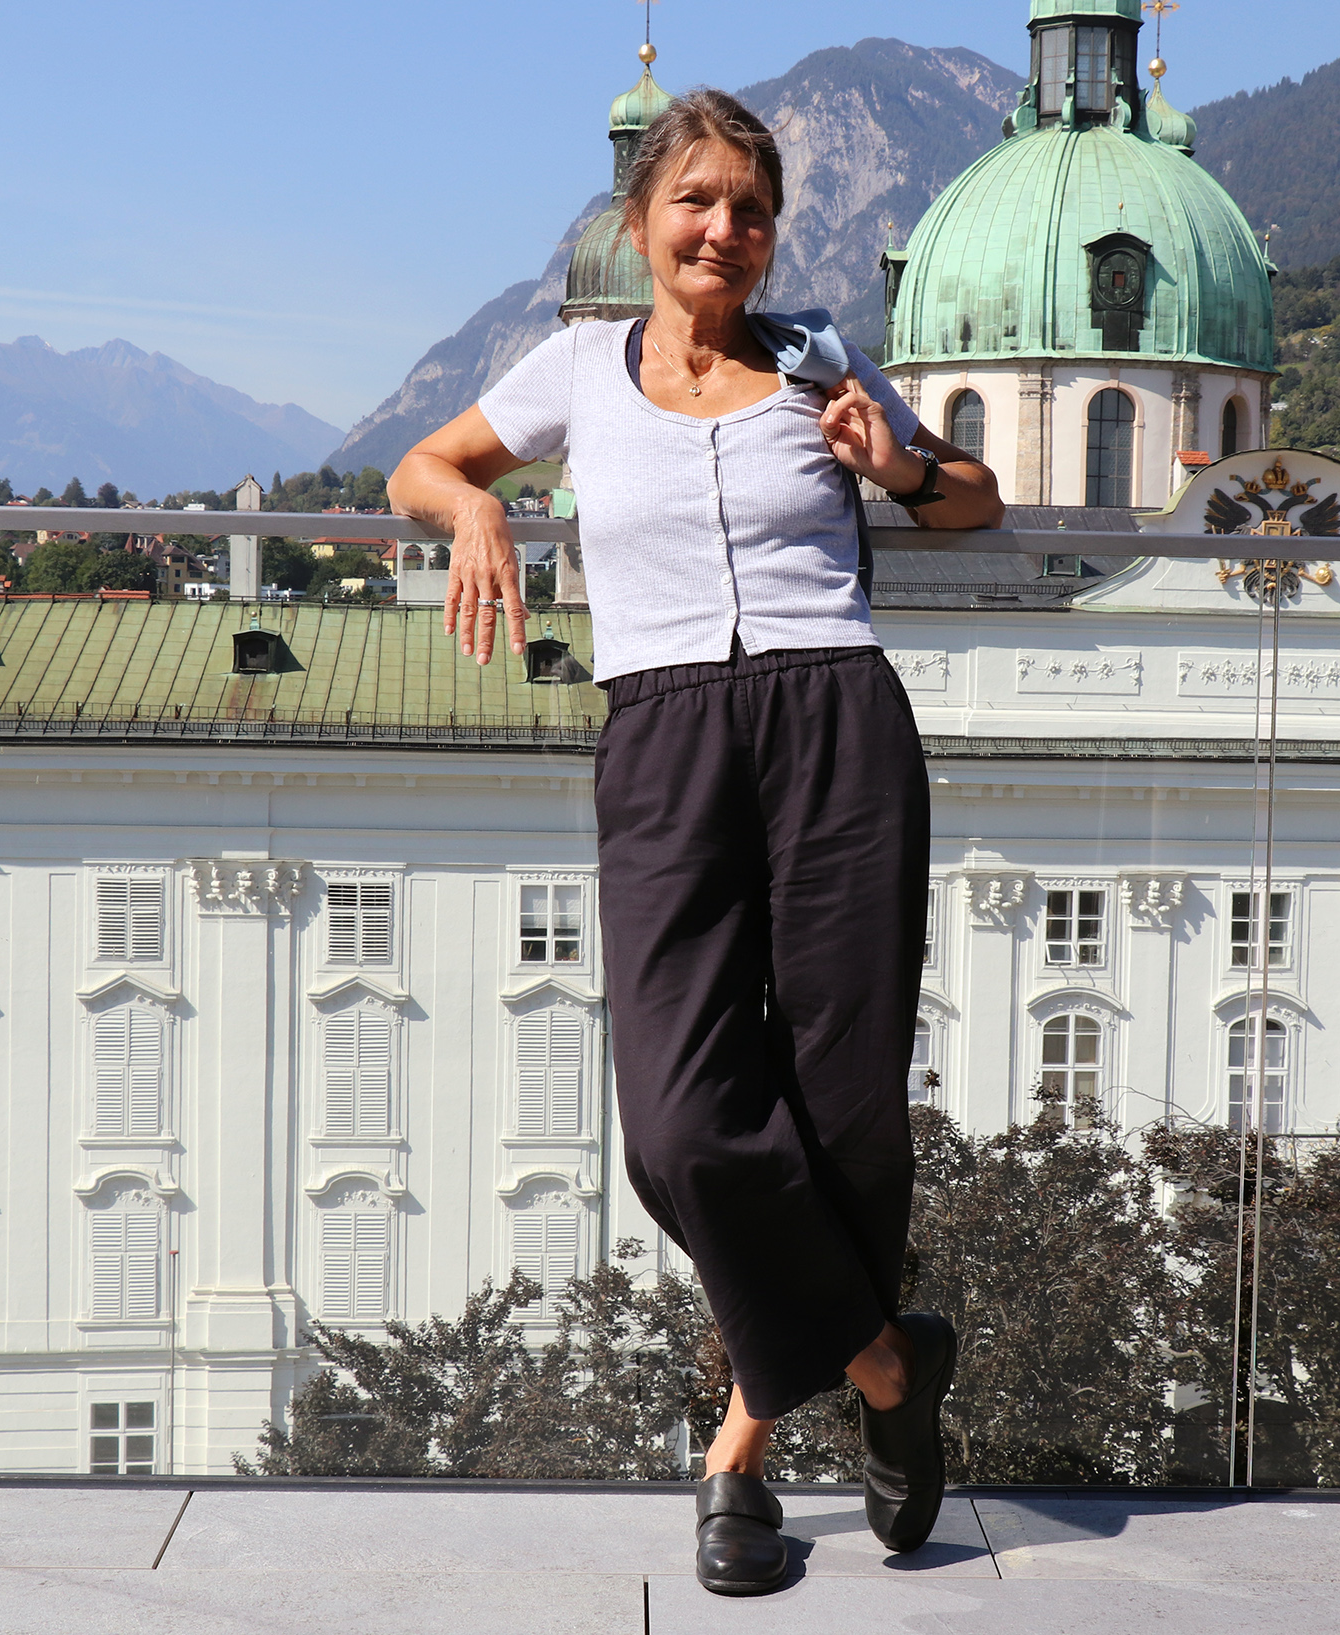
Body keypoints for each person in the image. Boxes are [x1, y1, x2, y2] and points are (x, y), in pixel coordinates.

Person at [389, 87, 1001, 1596]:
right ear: (641, 223)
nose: (723, 228)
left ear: (772, 232)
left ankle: (738, 1457)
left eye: (749, 208)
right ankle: (879, 1367)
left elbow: (975, 506)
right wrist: (471, 511)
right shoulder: (578, 368)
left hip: (837, 725)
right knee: (678, 1123)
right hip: (662, 733)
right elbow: (422, 464)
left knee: (843, 1107)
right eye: (696, 202)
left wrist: (898, 467)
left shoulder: (821, 362)